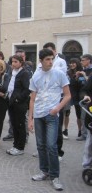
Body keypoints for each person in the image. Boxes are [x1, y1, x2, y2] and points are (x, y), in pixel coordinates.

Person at [28, 48, 70, 191]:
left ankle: (55, 176)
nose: (50, 62)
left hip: (52, 115)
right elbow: (32, 99)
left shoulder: (59, 74)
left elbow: (68, 95)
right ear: (41, 61)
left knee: (52, 146)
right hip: (38, 115)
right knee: (40, 145)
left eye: (52, 59)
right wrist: (30, 119)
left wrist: (57, 108)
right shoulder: (36, 76)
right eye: (47, 59)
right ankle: (44, 171)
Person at [6, 55, 30, 156]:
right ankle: (15, 145)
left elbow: (27, 89)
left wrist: (17, 98)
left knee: (20, 125)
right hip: (11, 102)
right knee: (14, 125)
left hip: (19, 103)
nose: (13, 64)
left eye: (16, 62)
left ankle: (20, 147)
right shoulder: (13, 72)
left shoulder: (24, 73)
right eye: (12, 62)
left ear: (21, 62)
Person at [63, 58, 84, 139]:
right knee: (67, 113)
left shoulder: (82, 72)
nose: (72, 64)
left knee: (79, 114)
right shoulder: (68, 73)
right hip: (69, 95)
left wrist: (79, 77)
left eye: (74, 63)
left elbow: (83, 84)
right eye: (71, 63)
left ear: (77, 63)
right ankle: (65, 130)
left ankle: (80, 131)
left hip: (78, 95)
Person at [77, 54, 92, 141]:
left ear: (88, 60)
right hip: (84, 97)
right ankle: (84, 134)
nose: (81, 62)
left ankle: (86, 134)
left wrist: (85, 76)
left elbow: (88, 83)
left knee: (87, 115)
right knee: (83, 116)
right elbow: (83, 87)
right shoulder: (83, 70)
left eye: (83, 60)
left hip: (89, 99)